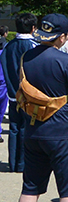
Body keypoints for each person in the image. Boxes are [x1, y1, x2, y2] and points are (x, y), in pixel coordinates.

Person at [16, 13, 68, 202]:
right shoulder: (66, 61)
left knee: (30, 189)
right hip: (62, 131)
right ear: (62, 37)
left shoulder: (26, 58)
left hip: (33, 129)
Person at [0, 13, 37, 172]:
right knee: (26, 128)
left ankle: (13, 162)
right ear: (33, 28)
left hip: (12, 92)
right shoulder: (33, 45)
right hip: (28, 94)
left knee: (14, 127)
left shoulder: (8, 46)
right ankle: (22, 163)